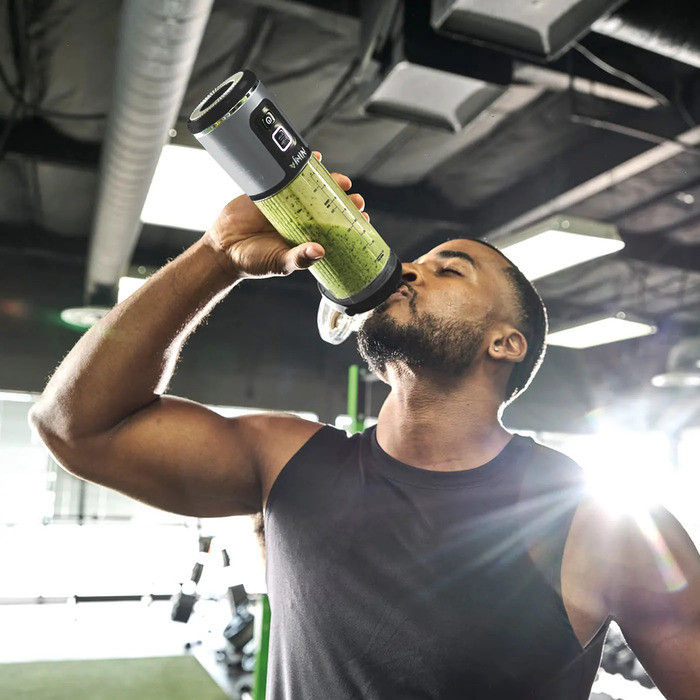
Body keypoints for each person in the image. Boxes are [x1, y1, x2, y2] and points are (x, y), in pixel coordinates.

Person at [31, 154, 700, 699]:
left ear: (505, 343)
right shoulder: (284, 460)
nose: (407, 269)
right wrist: (216, 255)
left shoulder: (603, 526)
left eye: (448, 269)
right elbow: (75, 426)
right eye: (417, 261)